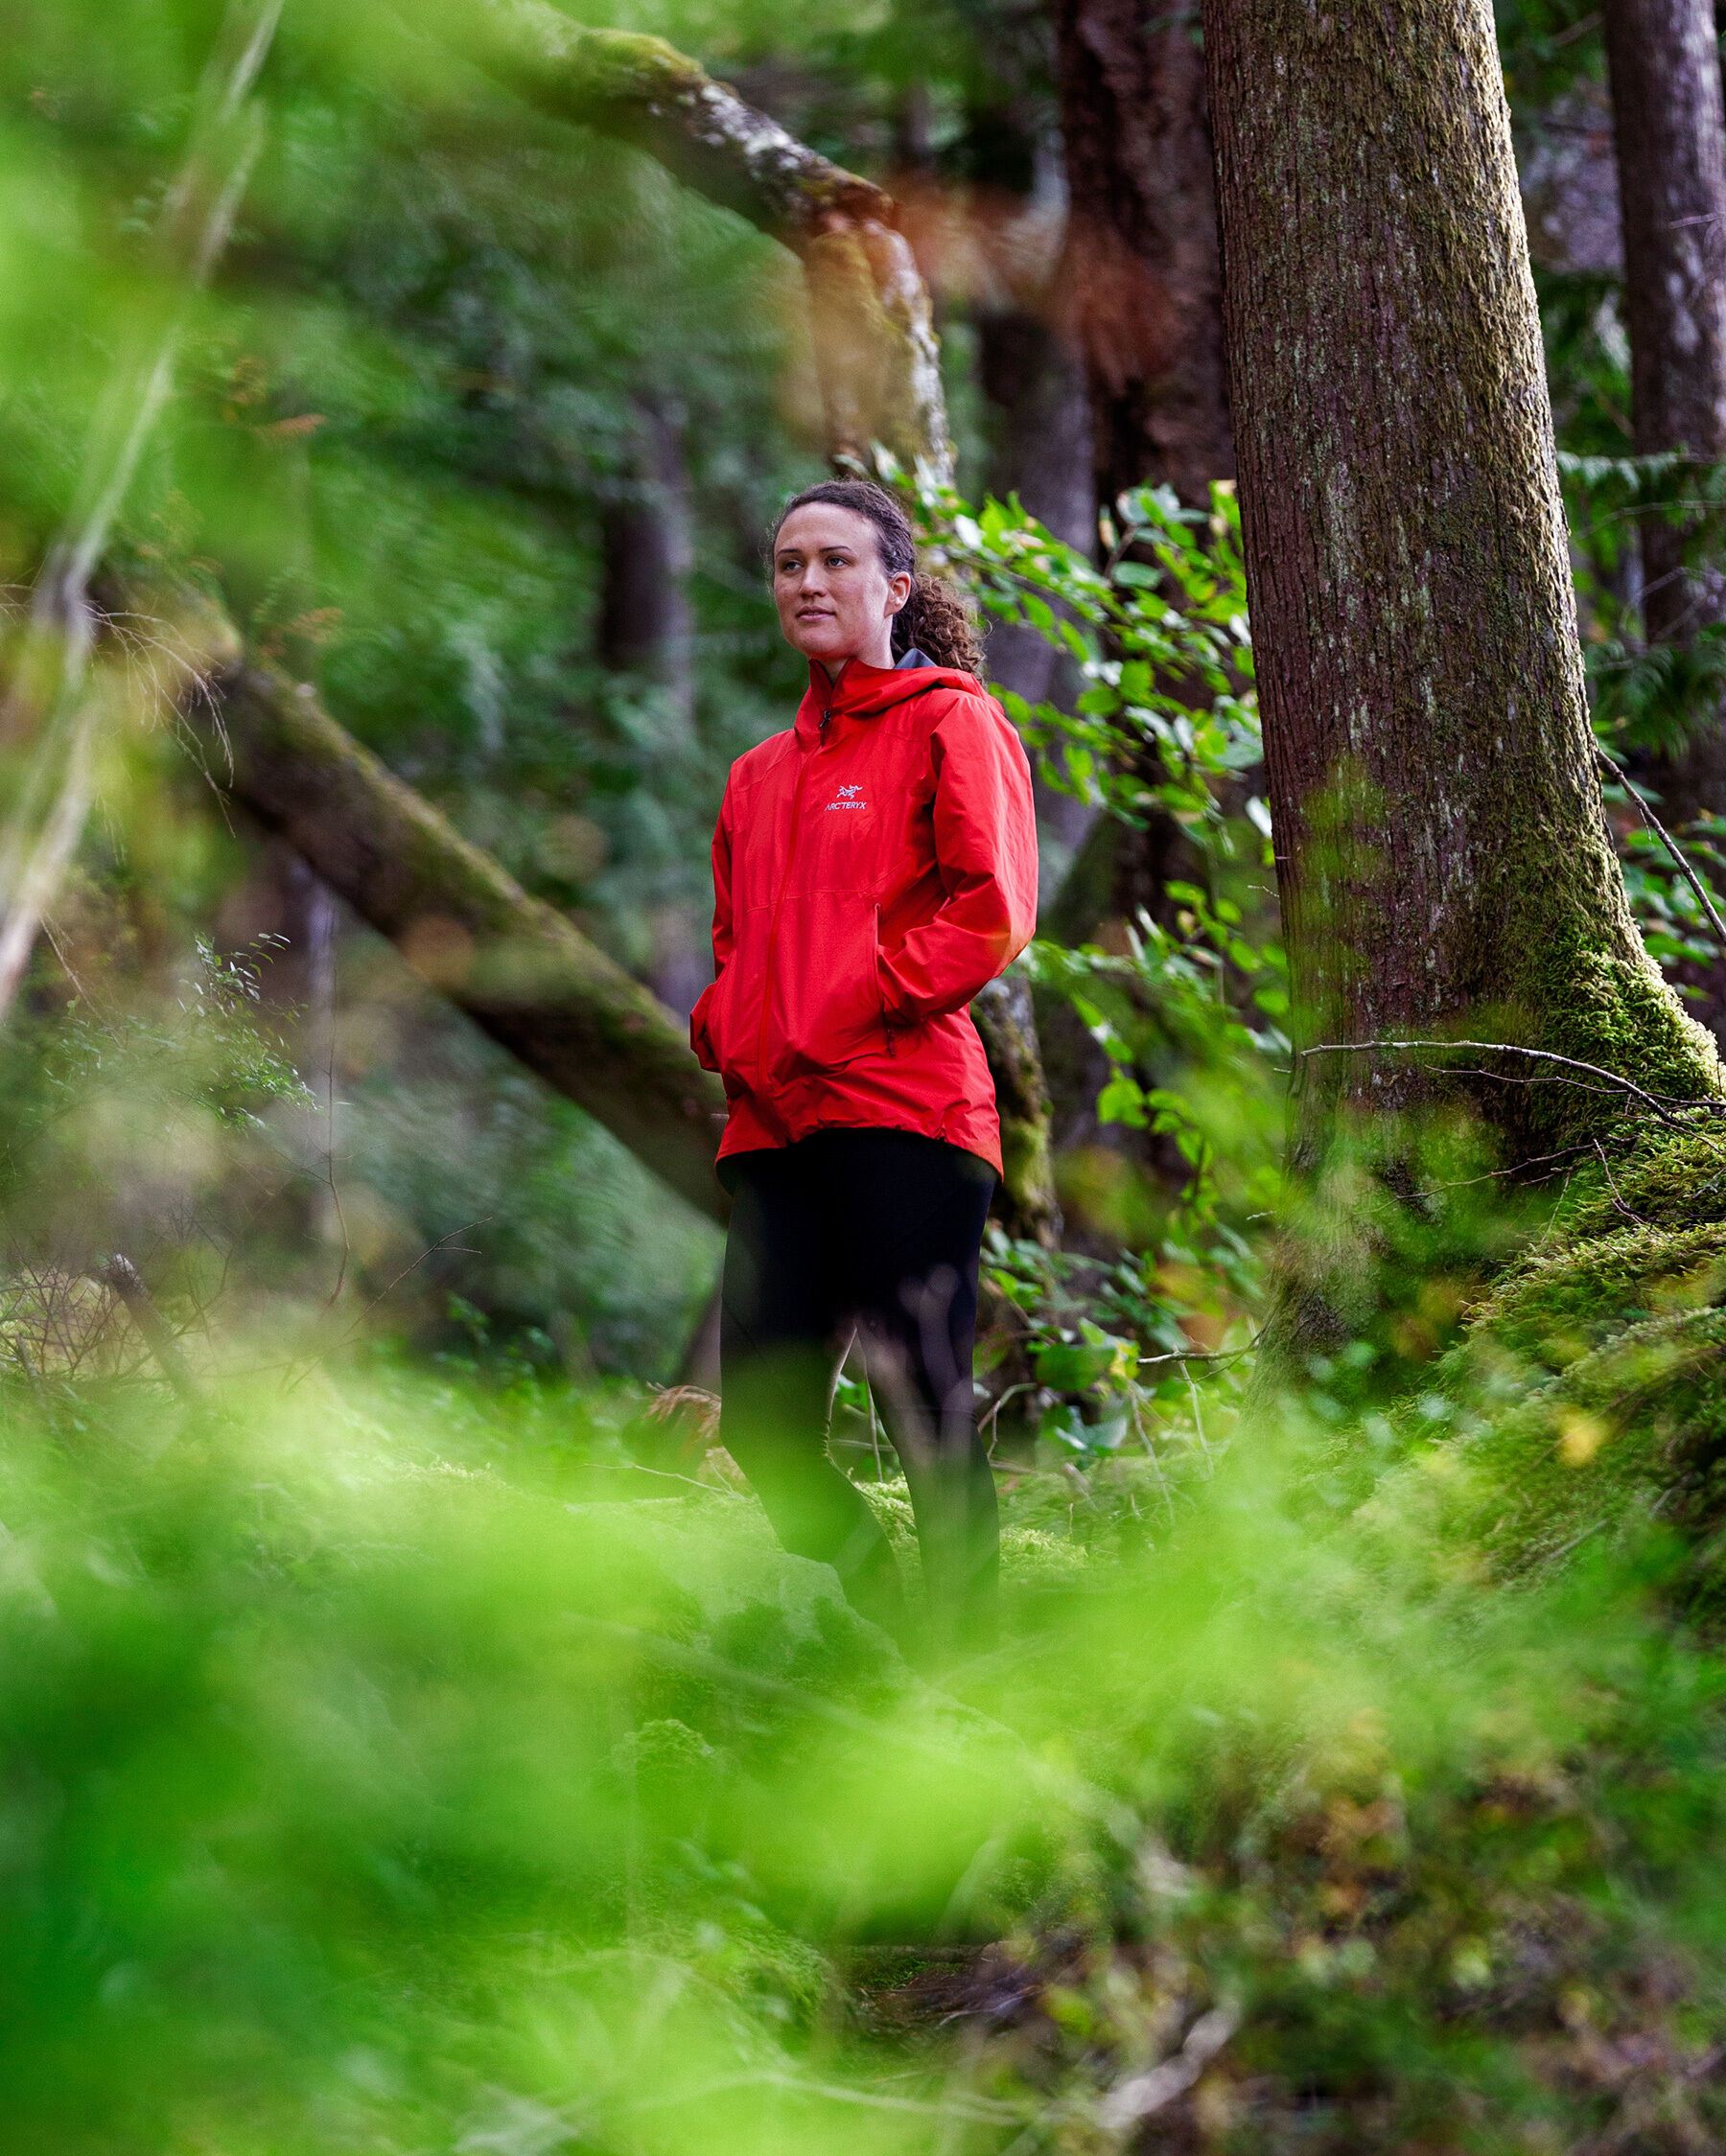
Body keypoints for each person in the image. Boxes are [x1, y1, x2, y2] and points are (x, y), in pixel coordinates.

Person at [689, 478, 1038, 1659]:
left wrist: (861, 997)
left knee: (920, 1394)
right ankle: (878, 1634)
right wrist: (727, 1023)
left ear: (893, 587)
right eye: (789, 564)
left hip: (907, 1107)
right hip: (778, 1123)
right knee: (769, 1424)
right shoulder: (755, 775)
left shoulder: (954, 721)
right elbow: (739, 944)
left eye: (835, 562)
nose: (807, 583)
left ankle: (975, 1662)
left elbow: (993, 909)